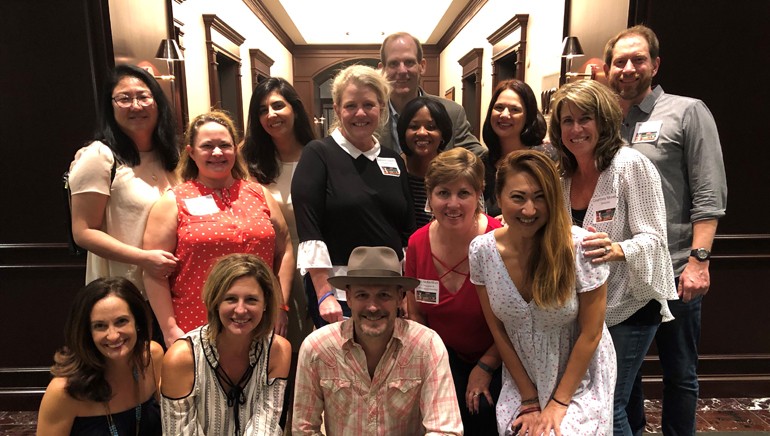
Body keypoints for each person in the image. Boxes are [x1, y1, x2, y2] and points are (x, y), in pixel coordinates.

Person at [604, 25, 727, 435]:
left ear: (655, 64)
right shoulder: (604, 123)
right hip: (624, 270)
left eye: (637, 59)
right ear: (608, 69)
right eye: (619, 61)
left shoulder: (687, 111)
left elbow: (709, 194)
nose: (628, 68)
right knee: (625, 375)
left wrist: (699, 261)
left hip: (675, 269)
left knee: (680, 373)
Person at [549, 79, 678, 436]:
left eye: (584, 118)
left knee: (606, 402)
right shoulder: (562, 176)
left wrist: (618, 249)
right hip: (586, 308)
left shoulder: (630, 165)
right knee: (623, 396)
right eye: (567, 121)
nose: (575, 129)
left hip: (630, 306)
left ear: (603, 120)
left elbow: (655, 240)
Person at [470, 150, 616, 435]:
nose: (529, 210)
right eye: (518, 197)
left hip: (579, 376)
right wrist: (528, 398)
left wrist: (558, 403)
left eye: (540, 197)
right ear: (498, 198)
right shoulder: (481, 251)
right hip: (522, 375)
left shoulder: (580, 248)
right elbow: (497, 328)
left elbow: (591, 332)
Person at [143, 110, 293, 347]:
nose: (217, 152)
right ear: (191, 152)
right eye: (207, 146)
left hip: (258, 322)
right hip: (196, 325)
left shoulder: (259, 194)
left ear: (235, 149)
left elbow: (284, 249)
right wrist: (169, 328)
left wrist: (280, 305)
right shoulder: (173, 201)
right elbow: (154, 271)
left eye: (224, 145)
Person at [291, 65, 415, 328]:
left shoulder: (392, 160)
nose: (360, 113)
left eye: (368, 104)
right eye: (350, 106)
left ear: (381, 107)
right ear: (337, 109)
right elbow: (309, 228)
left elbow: (406, 230)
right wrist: (324, 293)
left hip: (388, 287)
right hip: (338, 288)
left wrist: (405, 292)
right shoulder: (319, 154)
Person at [292, 246, 462, 435]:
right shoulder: (317, 348)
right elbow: (304, 429)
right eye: (362, 295)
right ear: (348, 298)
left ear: (400, 298)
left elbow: (445, 430)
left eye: (384, 295)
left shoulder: (426, 345)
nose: (372, 307)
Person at [68, 65, 179, 339]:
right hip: (124, 294)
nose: (136, 106)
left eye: (143, 96)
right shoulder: (99, 156)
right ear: (111, 106)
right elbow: (82, 232)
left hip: (171, 292)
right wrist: (143, 258)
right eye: (124, 98)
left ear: (157, 101)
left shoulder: (170, 156)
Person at [405, 147, 502, 434]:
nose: (453, 204)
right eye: (443, 193)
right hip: (442, 356)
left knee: (482, 407)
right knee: (440, 414)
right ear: (429, 195)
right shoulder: (417, 244)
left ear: (479, 194)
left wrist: (485, 367)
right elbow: (417, 316)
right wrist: (435, 370)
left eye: (464, 193)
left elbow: (517, 320)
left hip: (500, 356)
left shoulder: (498, 241)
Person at [241, 77, 317, 428]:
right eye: (262, 110)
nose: (271, 114)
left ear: (294, 109)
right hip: (271, 268)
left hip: (317, 264)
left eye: (278, 105)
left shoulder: (320, 154)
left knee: (311, 351)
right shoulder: (246, 160)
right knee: (274, 350)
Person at [160, 253, 291, 435]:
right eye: (230, 299)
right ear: (215, 302)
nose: (240, 310)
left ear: (266, 304)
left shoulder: (278, 351)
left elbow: (266, 425)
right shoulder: (182, 357)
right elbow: (178, 432)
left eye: (251, 299)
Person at [37, 277, 164, 435]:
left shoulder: (152, 357)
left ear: (137, 323)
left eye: (121, 321)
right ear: (87, 333)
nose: (113, 336)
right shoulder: (63, 391)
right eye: (100, 326)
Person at [377, 32, 486, 157]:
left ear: (422, 66)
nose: (402, 70)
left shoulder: (452, 113)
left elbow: (479, 157)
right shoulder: (370, 116)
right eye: (393, 64)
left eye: (409, 62)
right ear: (382, 69)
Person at [481, 79, 557, 217]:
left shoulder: (547, 157)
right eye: (499, 107)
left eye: (515, 109)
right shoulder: (483, 164)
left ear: (528, 117)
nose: (504, 115)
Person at [396, 96, 453, 227]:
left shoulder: (454, 172)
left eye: (431, 127)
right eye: (414, 126)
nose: (422, 132)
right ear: (403, 132)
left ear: (442, 133)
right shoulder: (393, 170)